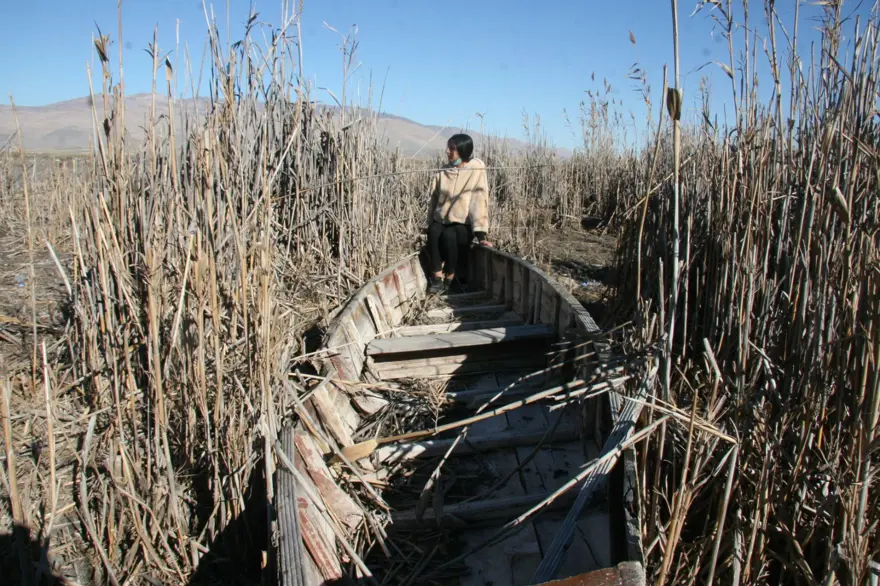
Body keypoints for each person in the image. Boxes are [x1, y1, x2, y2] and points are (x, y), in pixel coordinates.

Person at [425, 133, 493, 293]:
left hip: (463, 223)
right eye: (448, 147)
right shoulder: (443, 172)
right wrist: (429, 222)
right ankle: (437, 277)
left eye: (452, 148)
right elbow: (433, 200)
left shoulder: (475, 170)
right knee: (433, 231)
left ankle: (452, 276)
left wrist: (481, 235)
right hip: (441, 220)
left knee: (450, 235)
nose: (447, 151)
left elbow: (479, 201)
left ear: (462, 150)